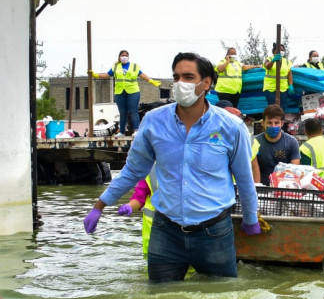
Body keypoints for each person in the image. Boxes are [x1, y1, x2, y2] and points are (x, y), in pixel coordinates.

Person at [82, 52, 261, 282]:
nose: (180, 84)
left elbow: (244, 179)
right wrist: (99, 205)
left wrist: (250, 218)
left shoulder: (231, 127)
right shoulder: (153, 121)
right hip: (165, 232)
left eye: (188, 77)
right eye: (176, 77)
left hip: (214, 232)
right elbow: (133, 171)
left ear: (206, 83)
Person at [89, 49, 161, 136]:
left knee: (133, 111)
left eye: (126, 55)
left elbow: (142, 75)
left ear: (128, 57)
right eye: (122, 55)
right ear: (119, 57)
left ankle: (136, 130)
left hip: (133, 91)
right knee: (122, 112)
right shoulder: (116, 67)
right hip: (120, 92)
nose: (124, 57)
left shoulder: (134, 66)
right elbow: (107, 75)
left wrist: (151, 81)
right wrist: (96, 75)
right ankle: (121, 132)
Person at [251, 104, 300, 183]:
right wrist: (257, 189)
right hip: (263, 187)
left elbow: (294, 170)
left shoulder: (292, 142)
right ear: (263, 123)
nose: (273, 126)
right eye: (269, 123)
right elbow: (254, 169)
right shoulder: (255, 142)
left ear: (282, 123)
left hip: (284, 187)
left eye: (276, 123)